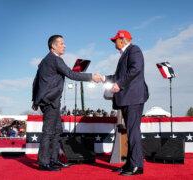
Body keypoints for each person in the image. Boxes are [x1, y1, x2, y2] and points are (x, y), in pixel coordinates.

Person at [32, 34, 102, 171]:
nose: (64, 46)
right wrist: (91, 77)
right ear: (53, 46)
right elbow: (72, 74)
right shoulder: (55, 59)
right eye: (61, 43)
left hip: (48, 100)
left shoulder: (46, 60)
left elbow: (36, 81)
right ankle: (43, 162)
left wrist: (35, 99)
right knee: (48, 131)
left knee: (57, 130)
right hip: (50, 100)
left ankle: (54, 159)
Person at [103, 30, 149, 176]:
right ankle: (130, 163)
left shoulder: (134, 50)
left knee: (133, 130)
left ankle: (137, 165)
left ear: (122, 39)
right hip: (128, 98)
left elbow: (135, 69)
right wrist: (103, 78)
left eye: (115, 40)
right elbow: (118, 76)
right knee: (130, 131)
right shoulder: (124, 54)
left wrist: (119, 84)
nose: (114, 43)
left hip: (133, 97)